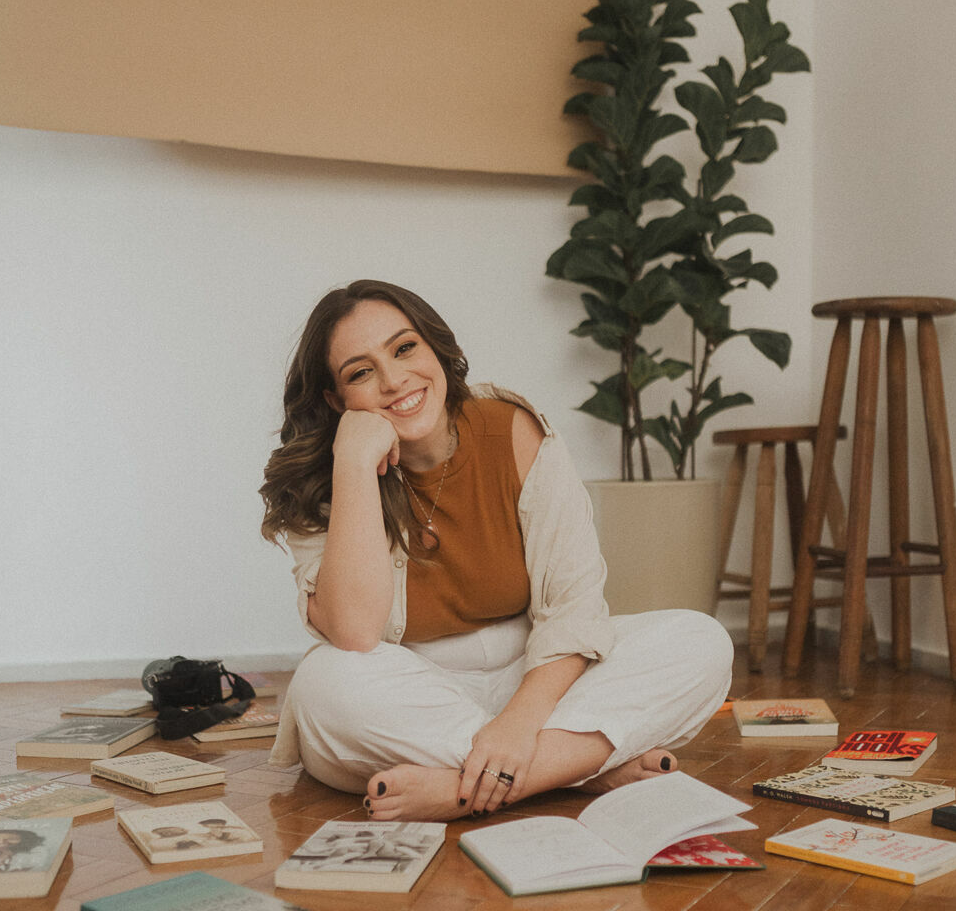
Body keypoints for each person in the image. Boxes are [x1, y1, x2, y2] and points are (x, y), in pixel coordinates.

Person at [260, 280, 733, 823]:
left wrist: (516, 724)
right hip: (410, 696)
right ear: (336, 399)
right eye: (360, 373)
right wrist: (352, 464)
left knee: (702, 641)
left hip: (534, 678)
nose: (394, 380)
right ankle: (580, 769)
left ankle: (467, 788)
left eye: (405, 347)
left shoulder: (512, 428)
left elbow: (573, 610)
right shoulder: (319, 477)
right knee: (325, 684)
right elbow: (355, 632)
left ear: (436, 347)